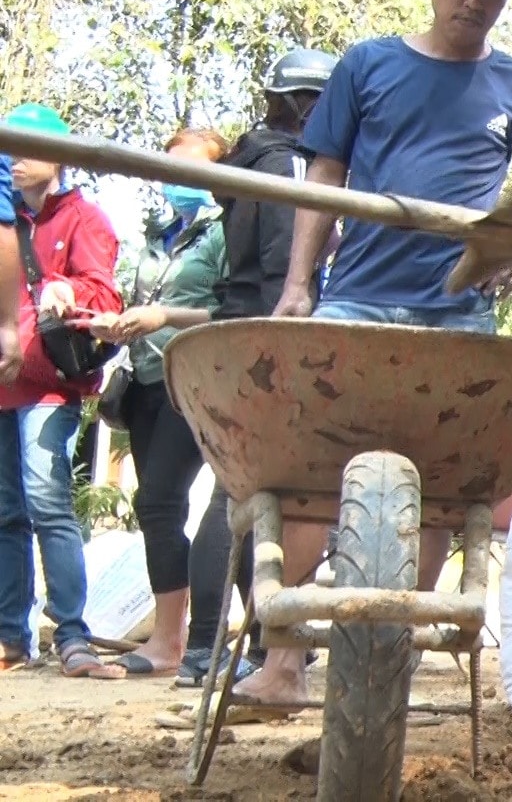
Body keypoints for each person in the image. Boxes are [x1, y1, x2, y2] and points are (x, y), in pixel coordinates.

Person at [241, 0, 512, 707]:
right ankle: (284, 662)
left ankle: (384, 666)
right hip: (358, 296)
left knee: (442, 487)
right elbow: (324, 173)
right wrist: (298, 284)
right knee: (317, 474)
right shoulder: (369, 64)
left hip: (458, 315)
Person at [175, 48, 335, 688]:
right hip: (269, 335)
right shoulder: (286, 166)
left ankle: (237, 642)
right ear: (306, 106)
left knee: (244, 492)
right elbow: (280, 260)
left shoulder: (248, 161)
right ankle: (208, 648)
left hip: (235, 326)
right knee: (239, 494)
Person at [89, 129, 229, 676]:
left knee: (164, 501)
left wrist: (166, 318)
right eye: (168, 169)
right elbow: (147, 300)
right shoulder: (158, 233)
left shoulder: (224, 234)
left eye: (189, 170)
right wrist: (122, 320)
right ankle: (172, 638)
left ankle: (179, 641)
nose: (177, 181)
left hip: (192, 379)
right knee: (159, 509)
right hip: (144, 377)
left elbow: (234, 309)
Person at [0, 103, 124, 680]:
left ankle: (73, 637)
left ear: (60, 156)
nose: (15, 159)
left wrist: (61, 288)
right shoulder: (5, 219)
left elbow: (106, 297)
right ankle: (10, 636)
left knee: (47, 504)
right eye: (9, 149)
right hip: (3, 384)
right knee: (4, 513)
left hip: (50, 388)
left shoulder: (85, 220)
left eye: (26, 148)